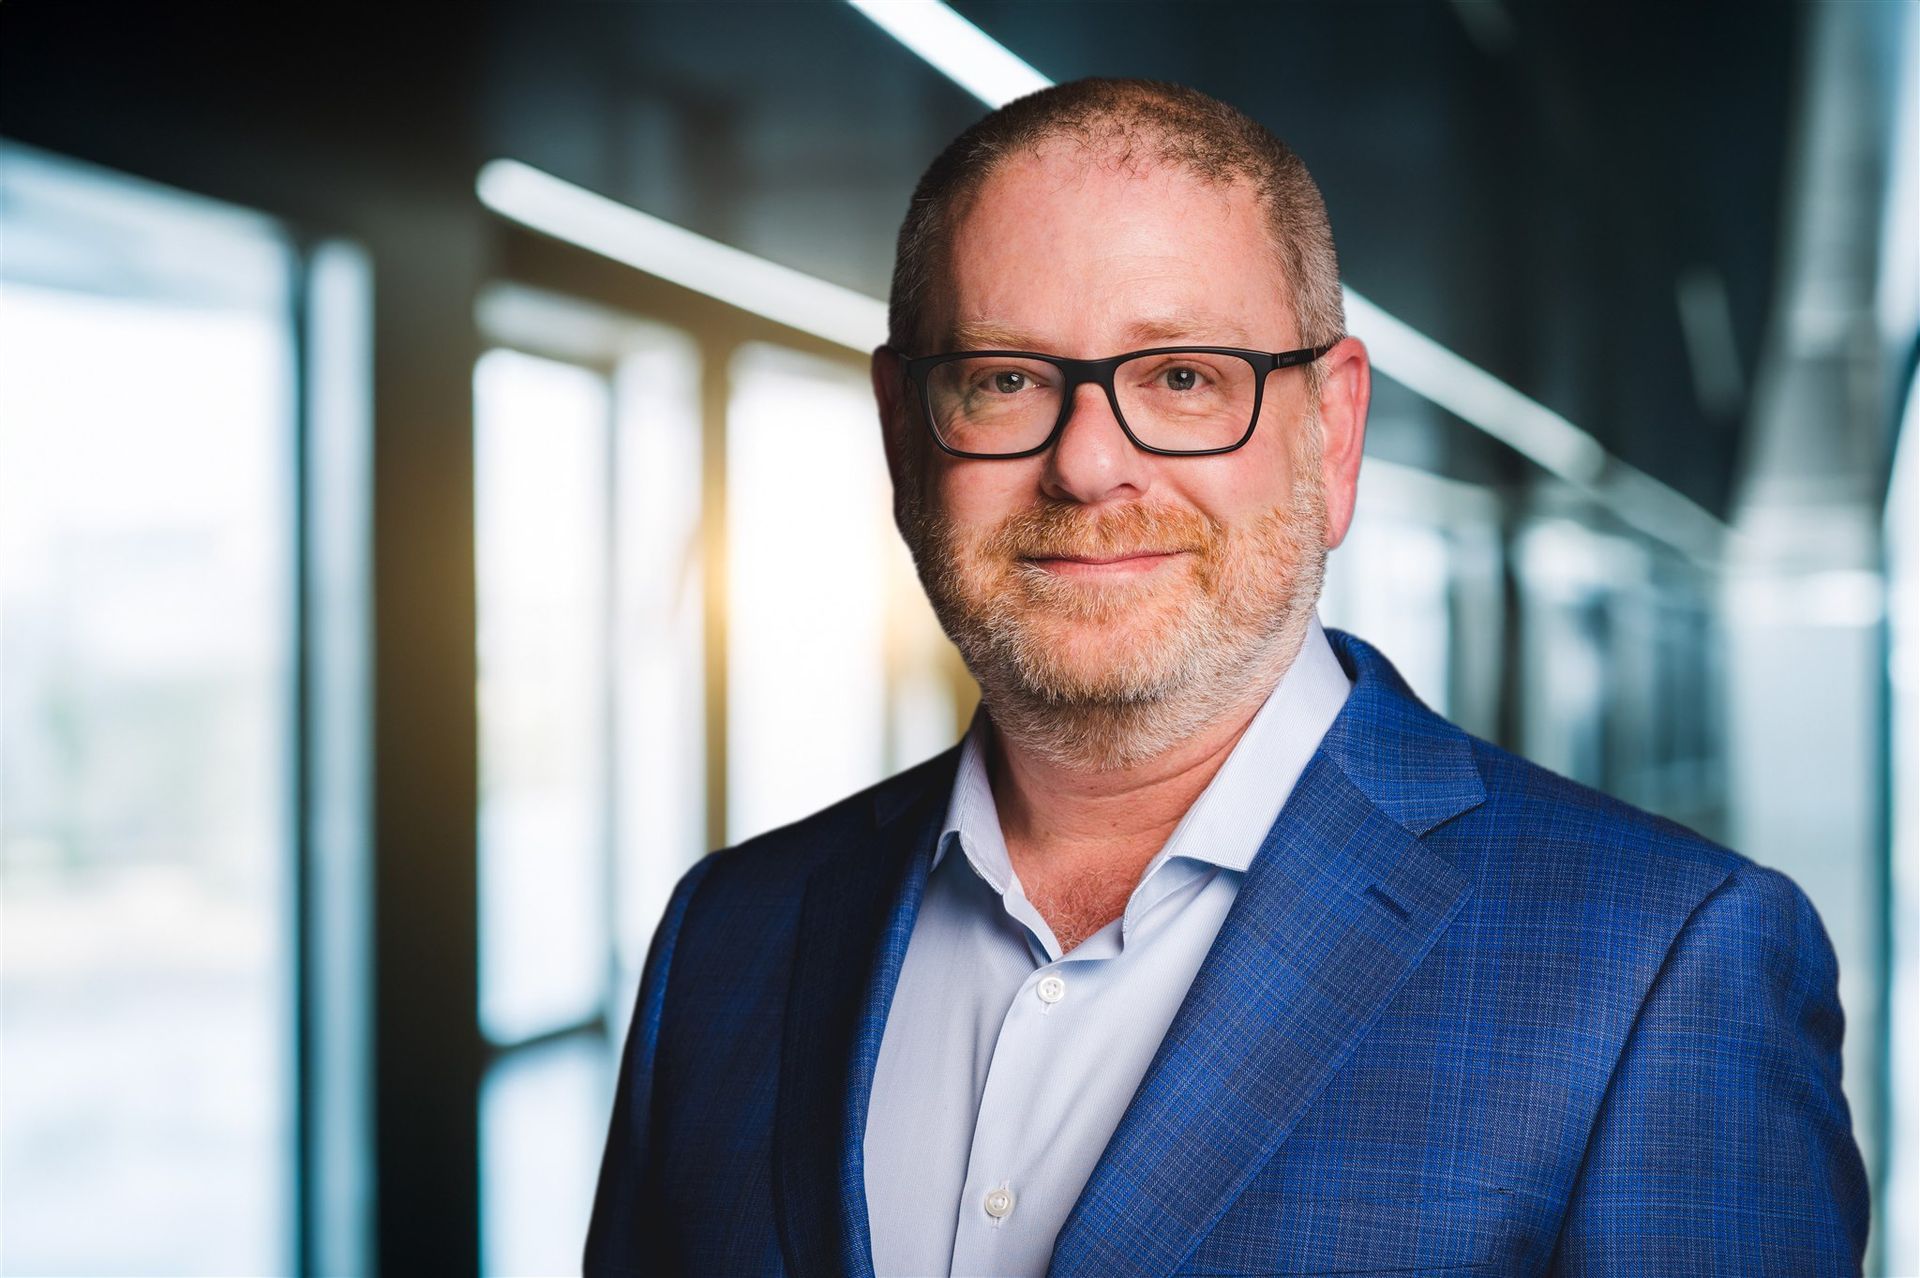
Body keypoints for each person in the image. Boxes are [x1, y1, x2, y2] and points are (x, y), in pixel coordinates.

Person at [584, 78, 1868, 1277]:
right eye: (1004, 380)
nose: (1089, 465)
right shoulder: (730, 937)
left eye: (1186, 377)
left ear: (1336, 431)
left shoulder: (1662, 970)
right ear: (903, 439)